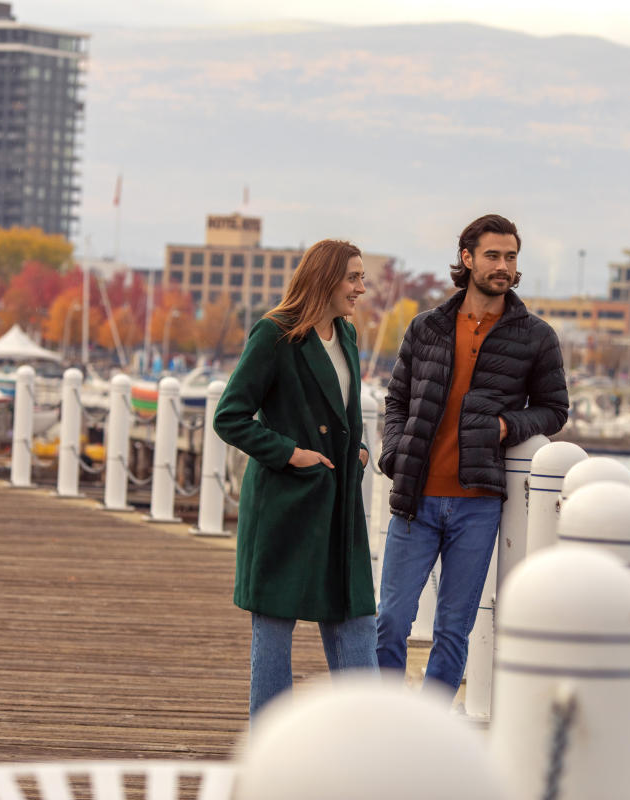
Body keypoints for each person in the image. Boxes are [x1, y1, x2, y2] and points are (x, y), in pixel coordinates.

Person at [375, 213, 569, 696]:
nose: (503, 266)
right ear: (467, 258)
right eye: (492, 256)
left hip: (478, 503)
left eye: (510, 257)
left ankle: (428, 735)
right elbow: (396, 400)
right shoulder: (427, 328)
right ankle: (383, 721)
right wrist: (395, 453)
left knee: (452, 631)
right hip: (416, 496)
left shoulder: (536, 336)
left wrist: (509, 425)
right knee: (390, 622)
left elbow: (554, 409)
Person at [213, 238, 377, 717]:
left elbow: (342, 409)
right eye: (354, 278)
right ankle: (269, 754)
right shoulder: (274, 333)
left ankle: (369, 743)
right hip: (286, 503)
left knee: (356, 620)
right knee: (274, 629)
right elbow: (230, 416)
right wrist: (291, 454)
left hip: (338, 503)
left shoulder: (345, 334)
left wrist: (358, 447)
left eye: (362, 277)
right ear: (325, 279)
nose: (361, 289)